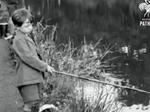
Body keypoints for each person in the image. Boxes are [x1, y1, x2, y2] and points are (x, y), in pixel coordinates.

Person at [11, 8, 54, 112]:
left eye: (31, 24)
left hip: (31, 77)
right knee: (28, 104)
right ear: (17, 26)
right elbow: (28, 57)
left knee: (31, 102)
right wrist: (45, 66)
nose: (30, 28)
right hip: (27, 78)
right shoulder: (19, 40)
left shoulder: (24, 36)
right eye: (27, 26)